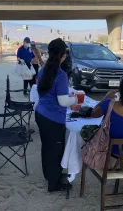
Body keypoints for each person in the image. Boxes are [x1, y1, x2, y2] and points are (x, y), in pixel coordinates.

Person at [35, 38, 77, 192]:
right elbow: (63, 101)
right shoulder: (60, 74)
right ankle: (54, 184)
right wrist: (74, 99)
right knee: (55, 151)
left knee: (46, 147)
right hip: (53, 119)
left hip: (41, 114)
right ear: (63, 56)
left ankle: (49, 175)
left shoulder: (43, 70)